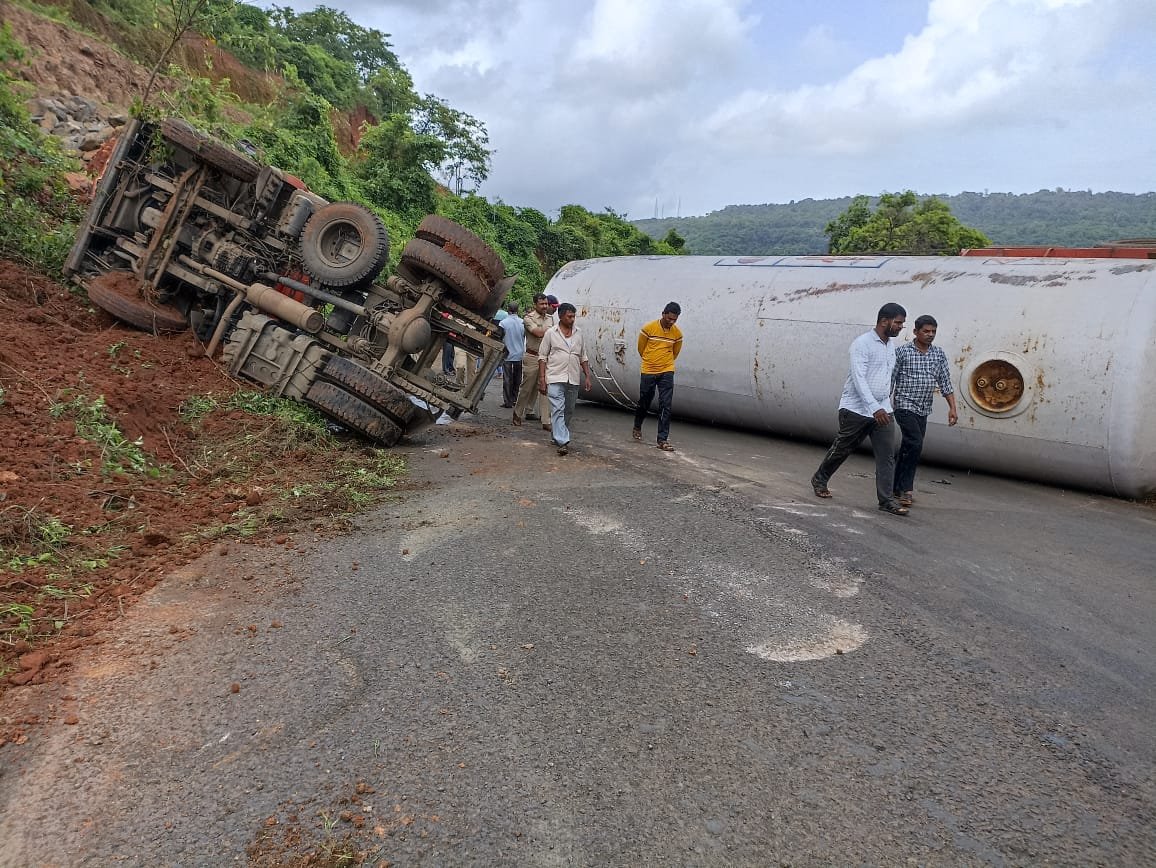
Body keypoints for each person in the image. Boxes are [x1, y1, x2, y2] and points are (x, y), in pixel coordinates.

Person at [810, 303, 910, 516]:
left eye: (902, 323)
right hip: (856, 410)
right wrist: (874, 407)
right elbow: (859, 379)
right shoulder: (862, 344)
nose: (901, 327)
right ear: (884, 321)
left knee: (887, 456)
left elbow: (886, 378)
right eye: (898, 322)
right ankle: (820, 478)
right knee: (843, 448)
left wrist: (885, 405)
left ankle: (886, 500)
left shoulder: (890, 346)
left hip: (883, 410)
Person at [892, 314, 959, 507]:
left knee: (908, 447)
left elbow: (945, 382)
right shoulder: (902, 352)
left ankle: (895, 486)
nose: (930, 335)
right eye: (926, 331)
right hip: (904, 405)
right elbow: (891, 379)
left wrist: (952, 408)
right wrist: (882, 405)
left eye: (933, 332)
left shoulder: (938, 354)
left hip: (923, 408)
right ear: (915, 332)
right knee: (915, 443)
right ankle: (906, 489)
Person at [538, 302, 592, 456]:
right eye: (569, 316)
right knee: (557, 409)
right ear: (561, 316)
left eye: (574, 316)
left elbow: (583, 356)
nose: (572, 319)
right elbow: (542, 357)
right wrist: (542, 379)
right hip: (555, 376)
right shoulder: (551, 333)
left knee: (568, 410)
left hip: (573, 378)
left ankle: (557, 434)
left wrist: (587, 376)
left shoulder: (579, 333)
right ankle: (562, 441)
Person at [632, 302, 683, 451]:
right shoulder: (648, 329)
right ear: (663, 314)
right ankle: (637, 425)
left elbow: (675, 352)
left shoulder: (677, 334)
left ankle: (662, 439)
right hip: (649, 370)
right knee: (645, 400)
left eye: (674, 320)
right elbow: (641, 348)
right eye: (669, 318)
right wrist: (650, 360)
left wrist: (665, 364)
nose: (671, 322)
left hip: (667, 370)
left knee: (666, 404)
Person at [513, 293, 554, 428]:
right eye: (541, 304)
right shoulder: (528, 318)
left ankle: (546, 421)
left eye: (546, 303)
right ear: (535, 305)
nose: (544, 306)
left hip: (546, 358)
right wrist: (551, 330)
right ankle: (517, 413)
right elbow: (538, 333)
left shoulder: (550, 319)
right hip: (532, 357)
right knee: (527, 388)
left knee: (544, 387)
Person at [498, 301, 524, 408]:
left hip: (507, 354)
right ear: (518, 310)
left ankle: (507, 401)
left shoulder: (503, 323)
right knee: (517, 378)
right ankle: (515, 399)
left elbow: (500, 337)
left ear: (508, 309)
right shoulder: (523, 322)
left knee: (507, 378)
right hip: (520, 354)